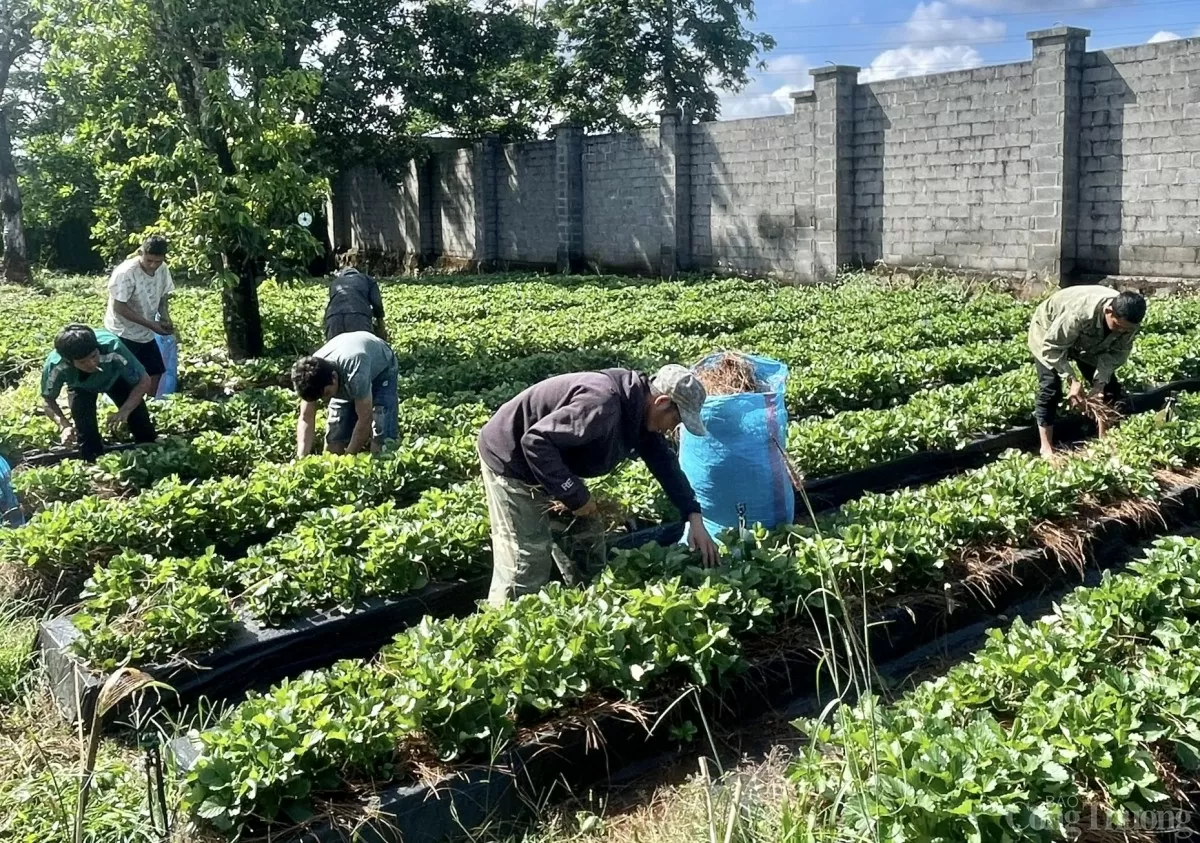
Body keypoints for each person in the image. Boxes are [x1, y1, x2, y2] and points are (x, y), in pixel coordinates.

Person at [477, 364, 720, 606]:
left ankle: (587, 610)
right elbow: (535, 442)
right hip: (512, 461)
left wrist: (692, 513)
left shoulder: (639, 412)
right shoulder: (601, 405)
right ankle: (502, 624)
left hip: (554, 462)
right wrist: (575, 495)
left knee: (587, 541)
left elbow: (664, 463)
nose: (672, 428)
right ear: (662, 402)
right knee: (527, 560)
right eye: (676, 419)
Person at [1028, 285, 1146, 458]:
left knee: (1109, 389)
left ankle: (1104, 441)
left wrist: (1100, 383)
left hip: (1090, 342)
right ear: (1109, 311)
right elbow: (1052, 348)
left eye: (1126, 330)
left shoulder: (1129, 323)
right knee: (1050, 387)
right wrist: (1071, 380)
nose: (1122, 331)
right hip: (1049, 332)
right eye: (1118, 326)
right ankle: (1046, 448)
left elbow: (1115, 355)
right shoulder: (1079, 313)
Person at [41, 324, 157, 461]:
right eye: (83, 362)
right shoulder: (56, 365)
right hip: (81, 386)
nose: (91, 364)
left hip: (115, 379)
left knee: (139, 418)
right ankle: (93, 462)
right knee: (85, 428)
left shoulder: (113, 346)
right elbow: (47, 399)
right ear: (69, 361)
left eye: (94, 356)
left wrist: (125, 411)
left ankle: (150, 455)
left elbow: (144, 380)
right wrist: (64, 425)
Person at [291, 331, 399, 457]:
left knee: (381, 432)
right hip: (347, 363)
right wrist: (301, 456)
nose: (326, 399)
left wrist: (348, 458)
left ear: (334, 377)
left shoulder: (355, 372)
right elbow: (306, 418)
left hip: (382, 368)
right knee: (335, 435)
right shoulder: (310, 377)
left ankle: (380, 465)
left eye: (327, 393)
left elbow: (365, 419)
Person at [104, 234, 175, 396]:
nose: (152, 265)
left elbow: (163, 296)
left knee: (155, 371)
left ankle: (150, 407)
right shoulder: (126, 273)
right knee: (125, 377)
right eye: (149, 260)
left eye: (157, 261)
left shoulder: (162, 268)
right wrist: (152, 325)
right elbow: (119, 307)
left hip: (145, 332)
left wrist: (164, 317)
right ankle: (126, 410)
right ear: (140, 253)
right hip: (122, 331)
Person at [324, 253, 387, 343]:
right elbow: (377, 305)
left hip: (333, 318)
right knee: (361, 348)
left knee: (334, 353)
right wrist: (381, 328)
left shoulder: (335, 282)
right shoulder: (367, 280)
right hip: (358, 316)